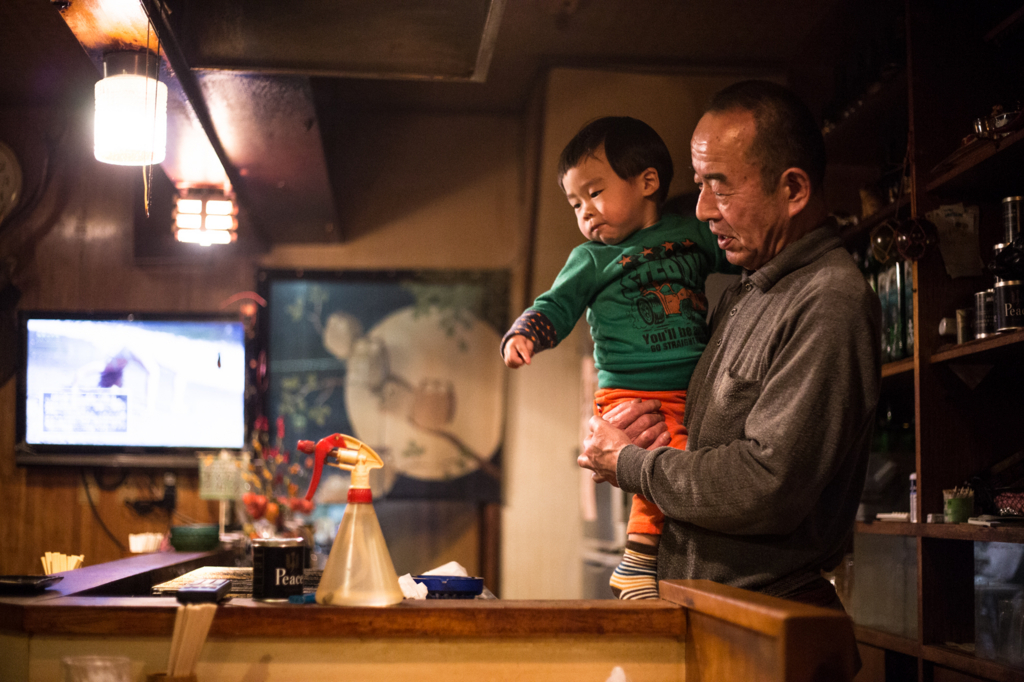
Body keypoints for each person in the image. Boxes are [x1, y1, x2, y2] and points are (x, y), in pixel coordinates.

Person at [577, 80, 882, 611]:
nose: (700, 210)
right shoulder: (749, 288)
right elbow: (711, 449)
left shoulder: (829, 298)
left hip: (769, 618)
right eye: (698, 185)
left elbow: (767, 484)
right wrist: (650, 434)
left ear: (793, 190)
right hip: (711, 608)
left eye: (719, 186)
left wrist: (632, 465)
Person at [501, 116, 736, 599]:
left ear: (647, 181)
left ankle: (649, 559)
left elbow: (743, 256)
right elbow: (556, 305)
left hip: (690, 389)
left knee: (687, 466)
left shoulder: (691, 235)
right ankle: (637, 560)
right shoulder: (591, 259)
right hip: (628, 389)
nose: (585, 212)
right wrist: (525, 334)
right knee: (666, 458)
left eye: (594, 192)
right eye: (575, 203)